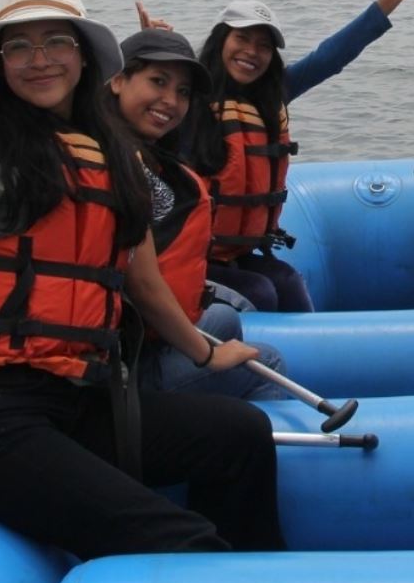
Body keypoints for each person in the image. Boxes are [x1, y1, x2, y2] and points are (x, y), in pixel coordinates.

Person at [0, 0, 283, 560]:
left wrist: (204, 351)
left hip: (78, 401)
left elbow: (141, 277)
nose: (39, 61)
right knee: (186, 541)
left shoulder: (104, 146)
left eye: (56, 43)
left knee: (240, 434)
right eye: (19, 47)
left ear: (83, 56)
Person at [159, 0, 412, 312]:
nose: (251, 52)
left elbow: (330, 57)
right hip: (188, 256)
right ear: (221, 41)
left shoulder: (274, 95)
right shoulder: (188, 99)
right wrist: (154, 50)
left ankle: (311, 367)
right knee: (260, 292)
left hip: (240, 254)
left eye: (263, 46)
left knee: (288, 285)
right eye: (242, 38)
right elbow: (133, 109)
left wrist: (388, 2)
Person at [108, 28, 289, 400]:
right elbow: (142, 284)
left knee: (225, 317)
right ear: (117, 80)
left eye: (183, 92)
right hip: (120, 366)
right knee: (267, 360)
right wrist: (206, 355)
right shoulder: (125, 167)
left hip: (135, 335)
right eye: (157, 82)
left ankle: (208, 414)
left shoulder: (138, 153)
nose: (171, 101)